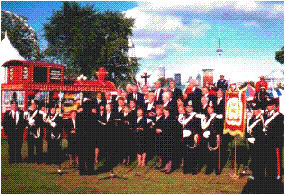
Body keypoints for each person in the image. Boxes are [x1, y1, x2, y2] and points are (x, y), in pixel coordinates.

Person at [263, 99, 284, 180]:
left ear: (274, 106)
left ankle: (278, 174)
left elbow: (280, 129)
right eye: (267, 105)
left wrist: (268, 130)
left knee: (277, 158)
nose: (268, 107)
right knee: (268, 157)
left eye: (270, 105)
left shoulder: (279, 116)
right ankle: (269, 173)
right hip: (267, 140)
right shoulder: (265, 115)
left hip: (275, 140)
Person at [76, 100, 98, 175]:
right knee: (90, 155)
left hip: (81, 137)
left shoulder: (79, 115)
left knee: (81, 155)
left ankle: (82, 170)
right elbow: (95, 128)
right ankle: (90, 170)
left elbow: (77, 127)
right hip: (90, 138)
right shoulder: (93, 115)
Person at [201, 106, 223, 175]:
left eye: (210, 108)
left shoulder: (217, 117)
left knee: (215, 153)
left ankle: (217, 170)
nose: (209, 110)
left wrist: (218, 134)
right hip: (208, 136)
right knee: (208, 154)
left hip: (214, 135)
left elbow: (220, 126)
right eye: (208, 109)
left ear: (213, 109)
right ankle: (209, 169)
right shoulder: (206, 117)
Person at [246, 102, 265, 180]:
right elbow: (248, 129)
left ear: (259, 110)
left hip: (258, 141)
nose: (254, 111)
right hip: (251, 141)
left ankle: (259, 175)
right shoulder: (253, 118)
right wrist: (248, 137)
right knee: (254, 158)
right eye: (253, 110)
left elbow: (262, 131)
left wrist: (255, 138)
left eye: (256, 110)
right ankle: (255, 174)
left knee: (259, 159)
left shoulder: (262, 118)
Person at [182, 104, 200, 174]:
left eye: (190, 107)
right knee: (186, 152)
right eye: (187, 107)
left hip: (193, 135)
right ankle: (186, 169)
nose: (188, 109)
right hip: (186, 136)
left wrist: (195, 134)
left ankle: (194, 169)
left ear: (192, 108)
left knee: (193, 153)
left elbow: (198, 126)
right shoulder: (184, 116)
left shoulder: (196, 116)